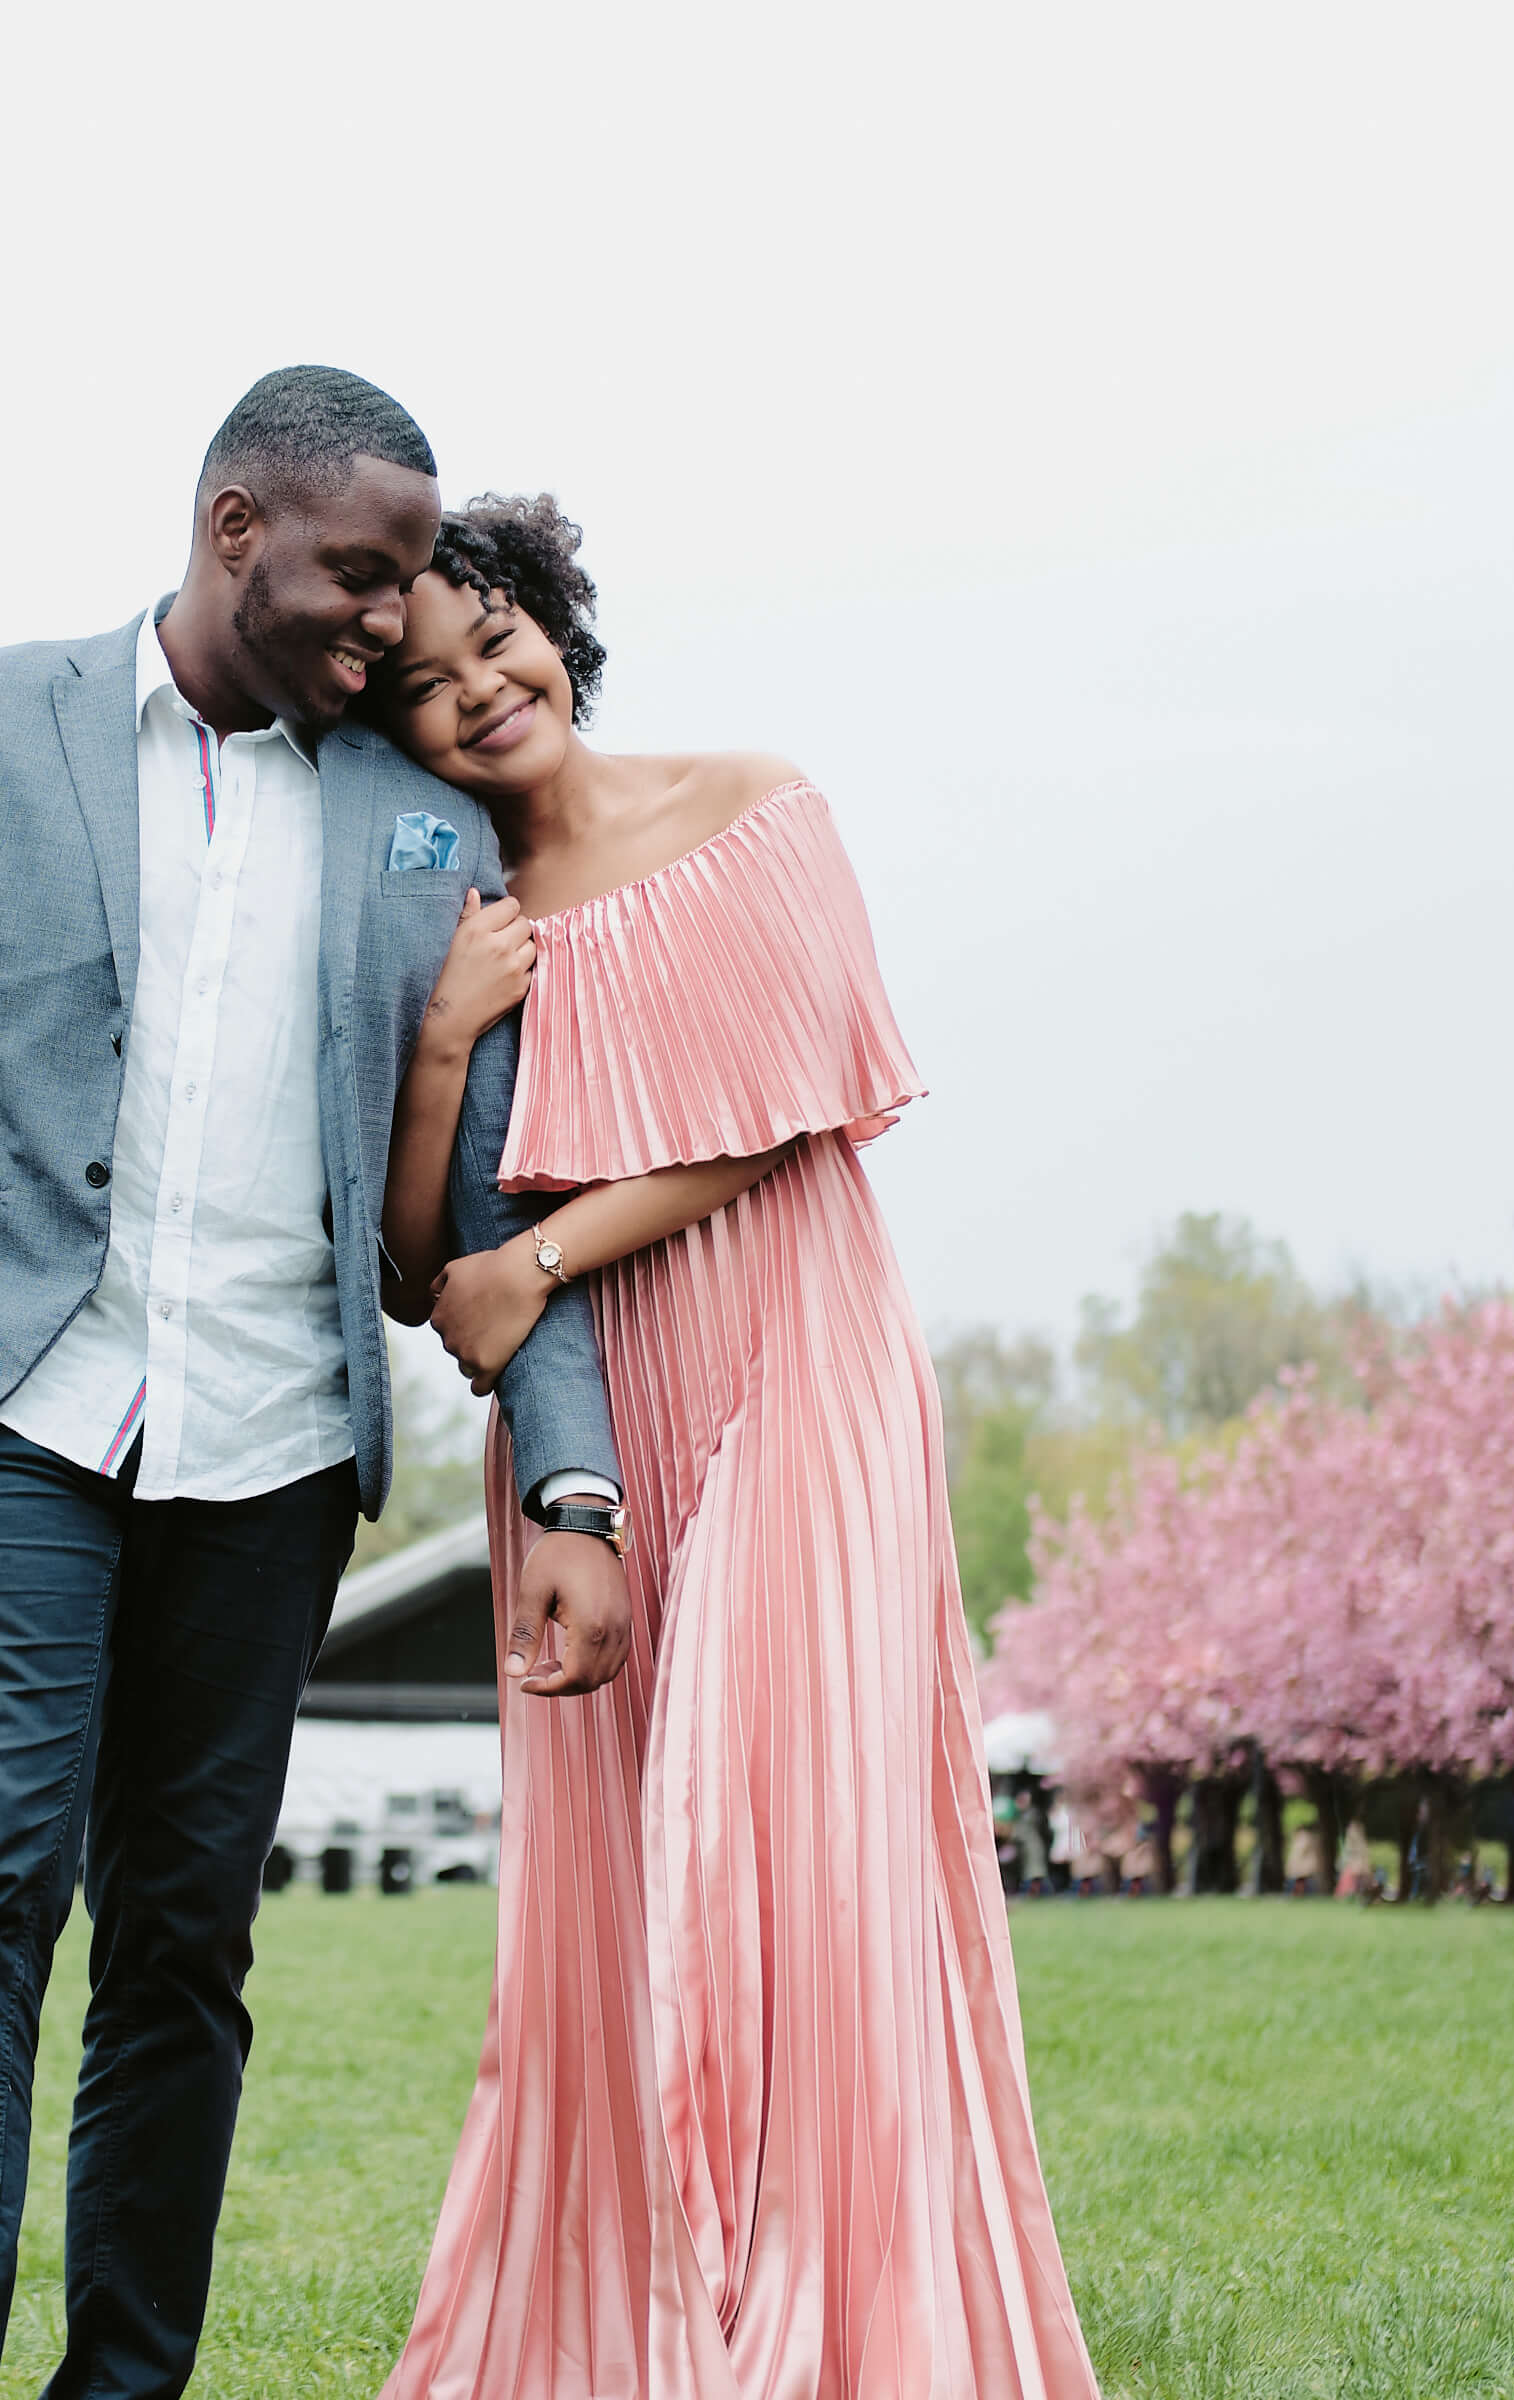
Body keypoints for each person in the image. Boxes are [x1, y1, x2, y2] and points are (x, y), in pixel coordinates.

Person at [0, 366, 626, 2400]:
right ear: (236, 527)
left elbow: (511, 1177)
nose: (387, 620)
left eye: (413, 583)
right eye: (358, 573)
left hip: (271, 1442)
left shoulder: (430, 820)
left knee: (186, 1948)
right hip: (13, 1416)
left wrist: (572, 1482)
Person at [360, 493, 1101, 2397]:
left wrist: (535, 1254)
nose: (481, 691)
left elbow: (793, 1108)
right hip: (599, 1423)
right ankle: (638, 2337)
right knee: (619, 1887)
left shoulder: (754, 806)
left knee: (800, 1855)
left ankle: (856, 2335)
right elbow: (416, 1270)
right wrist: (445, 1049)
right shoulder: (451, 924)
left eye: (498, 634)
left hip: (799, 1370)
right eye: (427, 685)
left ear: (555, 620)